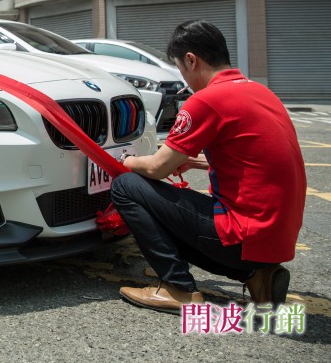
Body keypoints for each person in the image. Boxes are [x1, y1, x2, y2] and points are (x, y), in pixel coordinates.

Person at [110, 20, 306, 314]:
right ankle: (258, 275)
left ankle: (178, 288)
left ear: (191, 60)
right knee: (174, 206)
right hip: (274, 238)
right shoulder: (260, 91)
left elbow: (158, 168)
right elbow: (258, 159)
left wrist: (126, 161)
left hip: (242, 238)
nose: (184, 78)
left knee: (127, 187)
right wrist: (198, 162)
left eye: (181, 69)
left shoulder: (206, 100)